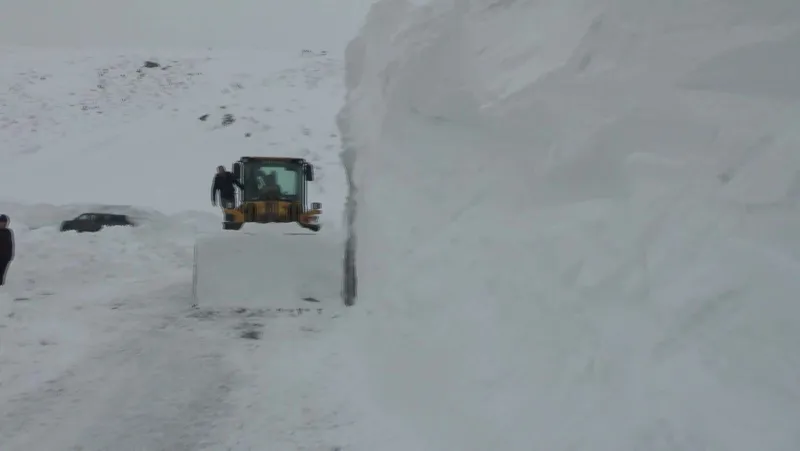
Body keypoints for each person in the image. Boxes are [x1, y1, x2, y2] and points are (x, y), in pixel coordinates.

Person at [0, 214, 14, 287]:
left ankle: (1, 288)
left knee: (2, 274)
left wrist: (10, 255)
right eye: (1, 222)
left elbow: (10, 244)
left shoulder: (8, 232)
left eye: (4, 222)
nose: (3, 224)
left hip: (5, 257)